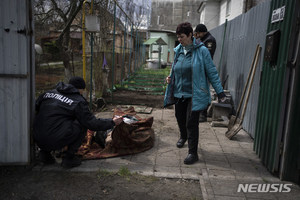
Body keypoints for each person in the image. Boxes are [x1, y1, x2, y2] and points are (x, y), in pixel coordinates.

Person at [164, 22, 226, 165]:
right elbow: (176, 68)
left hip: (194, 93)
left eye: (182, 36)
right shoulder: (178, 50)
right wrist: (170, 77)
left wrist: (220, 92)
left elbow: (211, 71)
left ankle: (193, 153)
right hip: (179, 92)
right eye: (178, 37)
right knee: (179, 117)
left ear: (191, 35)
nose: (179, 39)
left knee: (191, 122)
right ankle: (183, 136)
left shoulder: (202, 51)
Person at [33, 76, 123, 168]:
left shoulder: (48, 93)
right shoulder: (78, 101)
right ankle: (69, 158)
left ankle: (44, 154)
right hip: (56, 139)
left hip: (37, 137)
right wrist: (112, 122)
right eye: (83, 91)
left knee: (47, 118)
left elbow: (36, 109)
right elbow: (91, 123)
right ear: (80, 89)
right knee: (82, 123)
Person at [194, 24, 217, 122]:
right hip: (200, 69)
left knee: (203, 91)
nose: (197, 35)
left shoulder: (209, 40)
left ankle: (203, 115)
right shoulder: (203, 40)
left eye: (198, 33)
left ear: (203, 32)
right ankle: (199, 113)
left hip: (205, 69)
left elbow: (205, 56)